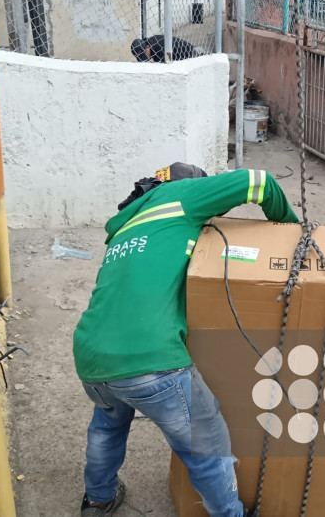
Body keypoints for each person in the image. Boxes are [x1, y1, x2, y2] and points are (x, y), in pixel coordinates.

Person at [73, 163, 298, 517]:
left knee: (107, 425)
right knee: (208, 446)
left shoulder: (123, 226)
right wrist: (289, 232)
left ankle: (97, 500)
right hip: (150, 360)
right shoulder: (180, 195)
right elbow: (260, 182)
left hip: (91, 358)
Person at [130, 35, 198, 62]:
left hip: (191, 55)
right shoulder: (151, 42)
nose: (146, 58)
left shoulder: (158, 49)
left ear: (147, 47)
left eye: (145, 54)